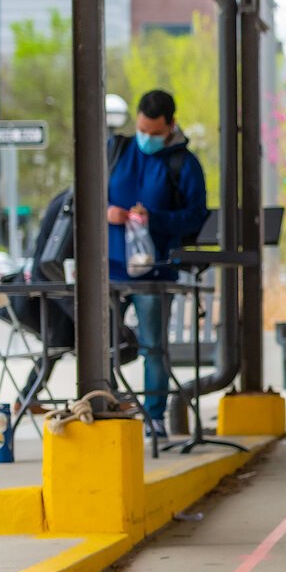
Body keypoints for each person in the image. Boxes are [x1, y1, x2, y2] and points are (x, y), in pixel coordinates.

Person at [107, 89, 209, 437]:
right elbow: (89, 195)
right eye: (142, 129)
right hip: (110, 265)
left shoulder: (185, 164)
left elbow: (196, 217)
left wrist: (154, 218)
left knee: (153, 344)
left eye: (153, 132)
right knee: (101, 342)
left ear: (171, 126)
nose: (146, 138)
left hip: (155, 269)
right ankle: (106, 405)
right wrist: (108, 213)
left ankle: (154, 416)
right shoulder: (115, 150)